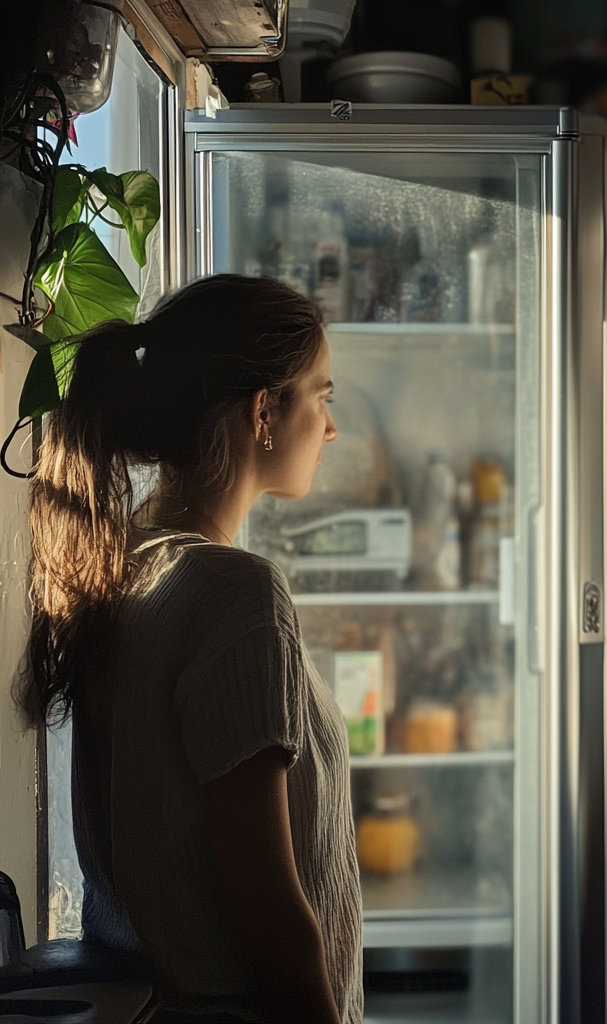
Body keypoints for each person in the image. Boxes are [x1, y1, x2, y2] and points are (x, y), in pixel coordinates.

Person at [18, 275, 361, 1024]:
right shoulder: (235, 592)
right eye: (321, 396)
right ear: (264, 410)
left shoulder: (122, 565)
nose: (330, 429)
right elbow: (270, 911)